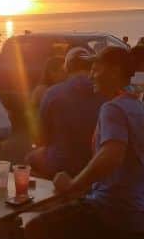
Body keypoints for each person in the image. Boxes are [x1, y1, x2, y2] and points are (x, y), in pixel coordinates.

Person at [24, 46, 144, 239]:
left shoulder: (113, 109)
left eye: (96, 68)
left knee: (35, 228)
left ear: (115, 71)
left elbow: (112, 154)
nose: (91, 74)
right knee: (69, 215)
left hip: (112, 218)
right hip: (143, 224)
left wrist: (73, 184)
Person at [26, 47, 104, 178]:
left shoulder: (52, 93)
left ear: (67, 68)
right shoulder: (105, 92)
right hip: (96, 163)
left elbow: (41, 137)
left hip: (60, 164)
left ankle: (46, 194)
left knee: (29, 159)